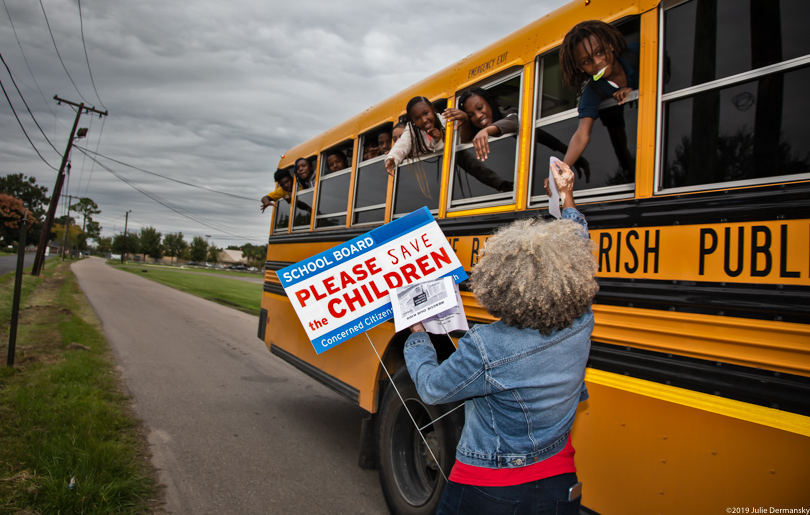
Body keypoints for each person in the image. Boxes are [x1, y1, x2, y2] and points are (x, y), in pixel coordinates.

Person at [404, 160, 597, 514]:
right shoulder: (582, 321)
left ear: (499, 285)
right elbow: (579, 244)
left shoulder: (489, 346)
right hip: (559, 479)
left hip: (490, 488)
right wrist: (567, 197)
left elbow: (432, 387)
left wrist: (417, 333)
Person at [559, 20, 639, 174]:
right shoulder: (593, 91)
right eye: (587, 61)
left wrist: (635, 90)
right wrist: (561, 170)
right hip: (624, 126)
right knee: (618, 141)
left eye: (599, 52)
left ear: (611, 45)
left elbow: (665, 70)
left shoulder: (635, 53)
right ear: (580, 67)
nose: (597, 63)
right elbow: (582, 134)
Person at [444, 88, 518, 161]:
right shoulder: (475, 134)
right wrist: (465, 121)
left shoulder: (508, 112)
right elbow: (465, 144)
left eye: (480, 108)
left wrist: (486, 131)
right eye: (471, 115)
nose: (478, 116)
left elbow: (513, 121)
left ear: (489, 102)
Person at [384, 96, 446, 176]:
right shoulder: (412, 130)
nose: (424, 120)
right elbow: (402, 143)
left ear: (432, 109)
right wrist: (393, 157)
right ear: (412, 121)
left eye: (426, 113)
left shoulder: (445, 121)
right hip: (428, 173)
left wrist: (439, 140)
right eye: (417, 118)